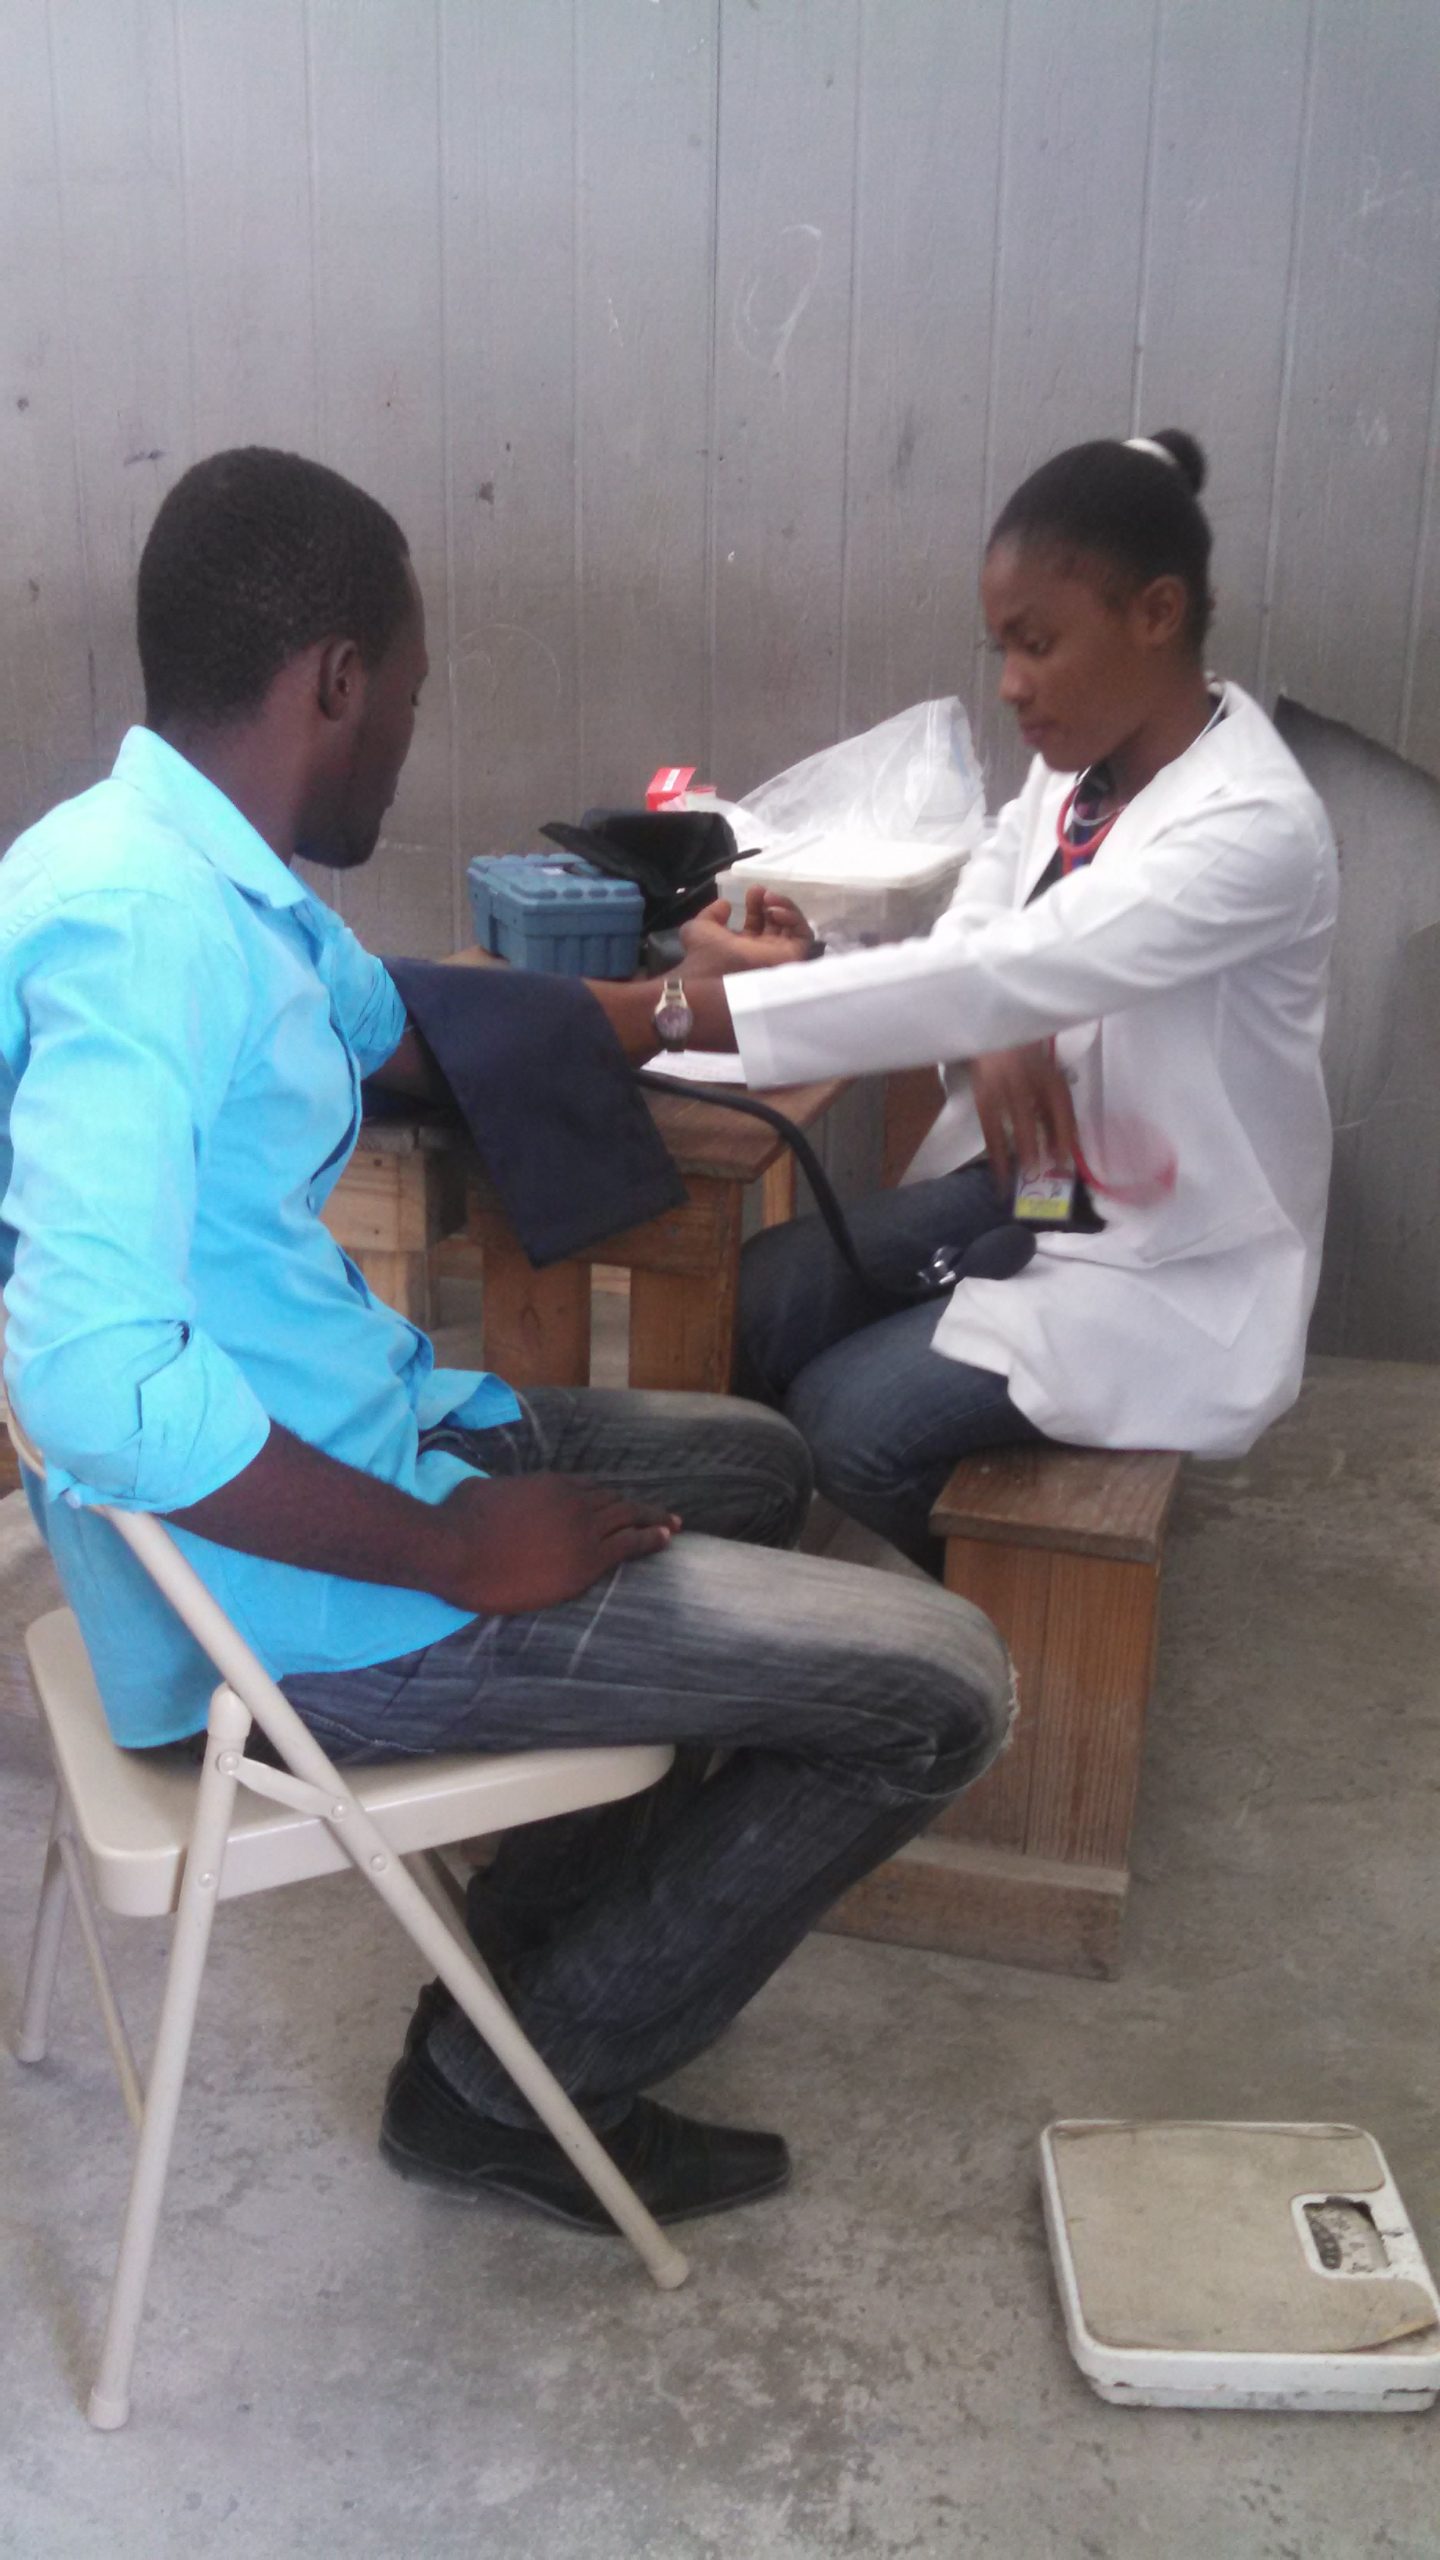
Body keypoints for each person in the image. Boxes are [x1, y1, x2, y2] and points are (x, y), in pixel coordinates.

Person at [0, 448, 1011, 2231]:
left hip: (354, 1437)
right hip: (292, 1602)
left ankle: (540, 1956)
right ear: (336, 680)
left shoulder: (176, 861)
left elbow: (403, 1023)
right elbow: (90, 1376)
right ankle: (506, 2083)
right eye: (409, 689)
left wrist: (688, 996)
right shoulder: (144, 930)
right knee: (944, 1694)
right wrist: (455, 1551)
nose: (409, 728)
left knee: (759, 1463)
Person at [667, 431, 1339, 1572]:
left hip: (1164, 1259)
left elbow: (1018, 963)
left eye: (1038, 644)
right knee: (762, 1296)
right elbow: (995, 884)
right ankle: (760, 1583)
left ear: (1158, 613)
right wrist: (999, 1011)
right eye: (1003, 648)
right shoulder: (1084, 754)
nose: (1011, 684)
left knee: (849, 1420)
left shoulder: (1251, 825)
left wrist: (672, 1012)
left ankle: (1003, 1634)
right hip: (1034, 1182)